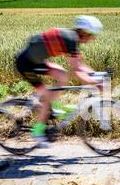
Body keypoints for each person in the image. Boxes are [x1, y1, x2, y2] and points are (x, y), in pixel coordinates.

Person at [15, 15, 103, 146]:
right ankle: (38, 132)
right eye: (92, 35)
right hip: (26, 65)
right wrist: (94, 82)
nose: (93, 39)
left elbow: (80, 65)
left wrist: (95, 74)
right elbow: (77, 71)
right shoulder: (71, 39)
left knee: (62, 75)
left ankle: (51, 106)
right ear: (84, 32)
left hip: (35, 61)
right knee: (48, 97)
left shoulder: (72, 39)